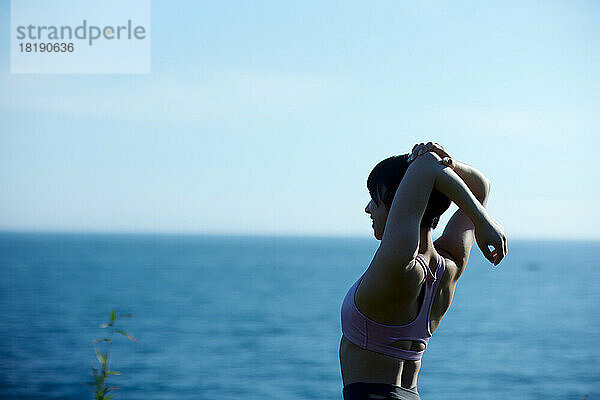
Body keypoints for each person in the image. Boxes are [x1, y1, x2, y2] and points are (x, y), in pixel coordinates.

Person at [339, 142, 507, 400]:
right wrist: (447, 161)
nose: (368, 209)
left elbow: (426, 164)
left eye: (376, 199)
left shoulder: (399, 267)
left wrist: (483, 221)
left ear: (401, 203)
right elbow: (480, 186)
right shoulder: (449, 266)